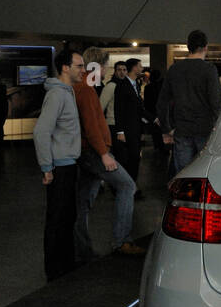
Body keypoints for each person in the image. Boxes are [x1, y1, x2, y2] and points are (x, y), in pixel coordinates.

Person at [73, 48, 144, 260]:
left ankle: (82, 249)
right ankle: (121, 241)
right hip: (94, 152)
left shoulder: (82, 87)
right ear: (98, 66)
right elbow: (91, 125)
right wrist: (104, 152)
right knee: (127, 185)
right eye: (105, 67)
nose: (105, 72)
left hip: (88, 151)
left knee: (83, 201)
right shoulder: (86, 89)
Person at [34, 49, 84, 281]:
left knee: (66, 217)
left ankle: (64, 264)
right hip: (60, 167)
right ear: (65, 67)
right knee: (57, 218)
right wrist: (47, 167)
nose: (83, 70)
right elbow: (41, 131)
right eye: (79, 66)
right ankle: (54, 270)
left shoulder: (67, 92)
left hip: (69, 164)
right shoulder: (57, 95)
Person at [156, 29, 221, 179]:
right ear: (206, 47)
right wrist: (219, 127)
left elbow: (162, 102)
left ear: (188, 47)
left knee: (183, 174)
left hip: (182, 129)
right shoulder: (209, 70)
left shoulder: (175, 69)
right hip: (205, 129)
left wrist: (167, 129)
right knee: (205, 173)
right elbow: (216, 102)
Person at [113, 57, 147, 189]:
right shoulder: (122, 85)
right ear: (134, 68)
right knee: (130, 159)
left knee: (135, 158)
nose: (142, 68)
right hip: (127, 130)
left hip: (135, 128)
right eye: (140, 66)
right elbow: (118, 109)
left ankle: (132, 186)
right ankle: (128, 186)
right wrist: (120, 131)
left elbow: (139, 108)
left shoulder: (136, 85)